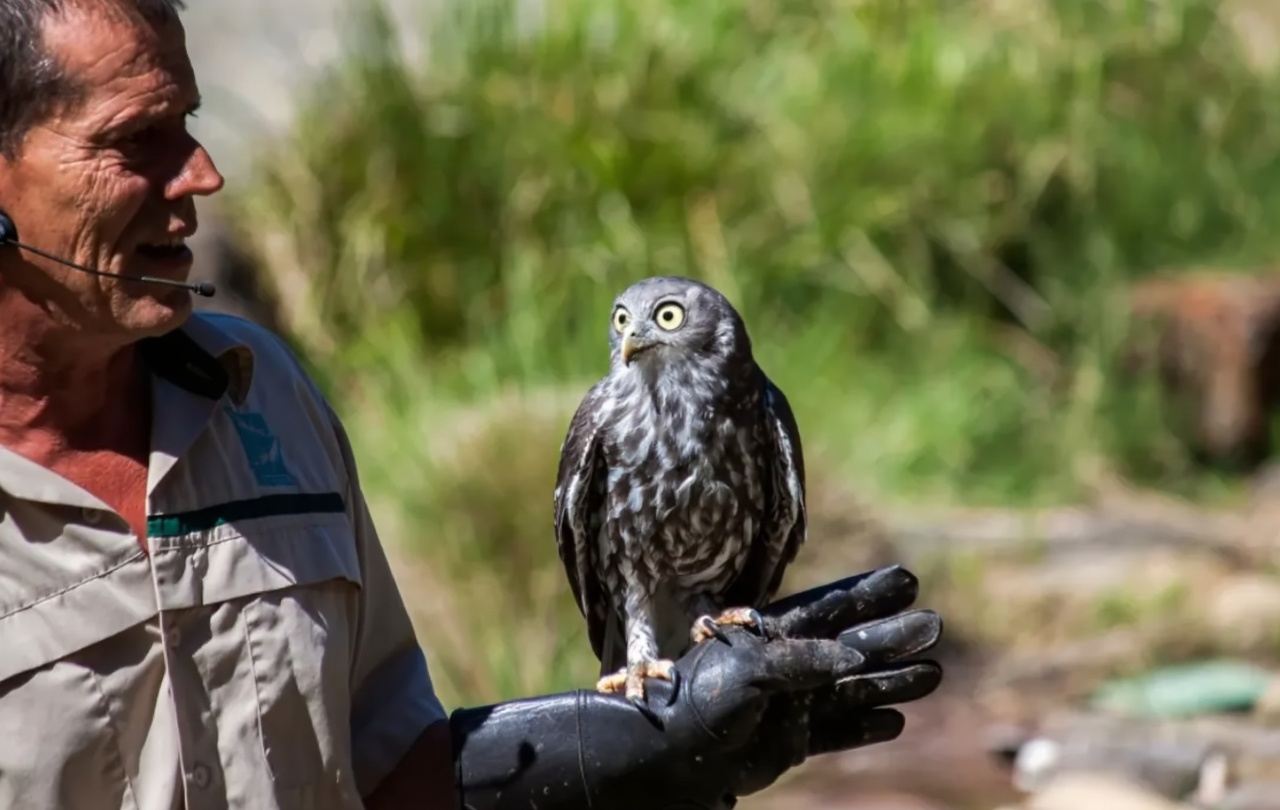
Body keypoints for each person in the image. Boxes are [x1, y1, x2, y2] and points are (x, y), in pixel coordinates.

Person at [0, 1, 944, 808]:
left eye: (191, 124)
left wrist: (633, 751)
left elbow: (385, 767)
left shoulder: (262, 399)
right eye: (136, 140)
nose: (203, 173)